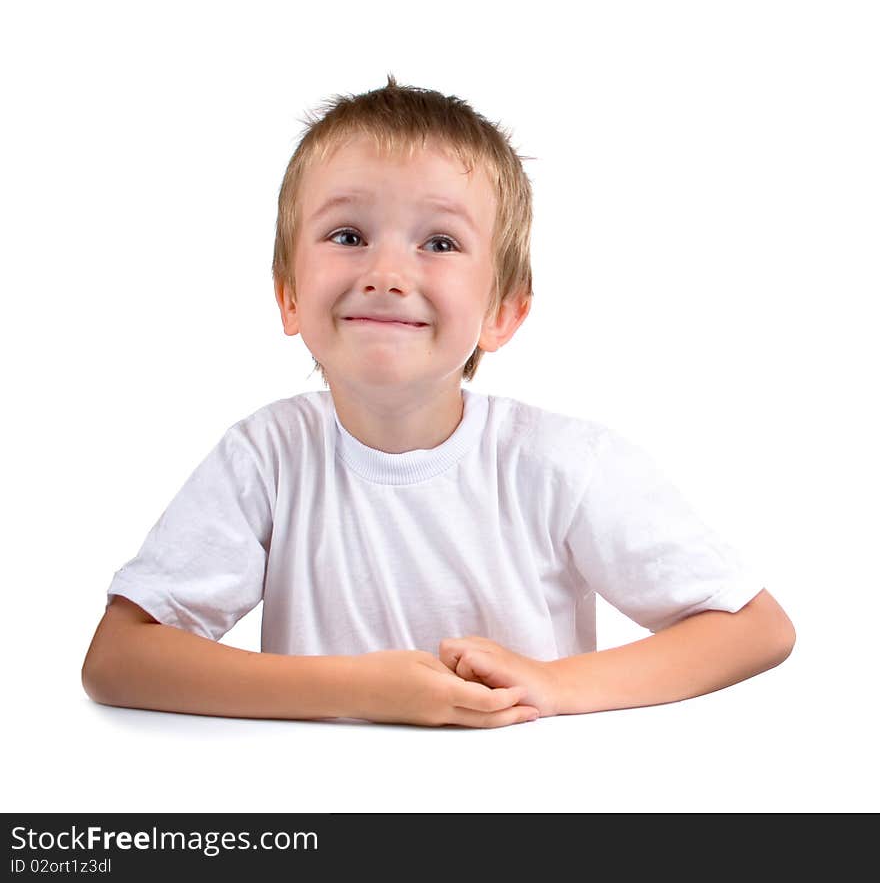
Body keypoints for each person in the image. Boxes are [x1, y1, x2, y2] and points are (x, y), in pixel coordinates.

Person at [81, 74, 796, 729]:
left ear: (503, 313)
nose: (388, 272)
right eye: (348, 235)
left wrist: (552, 685)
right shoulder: (266, 459)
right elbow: (117, 660)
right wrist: (358, 690)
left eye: (441, 242)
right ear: (289, 294)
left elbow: (756, 627)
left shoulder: (562, 464)